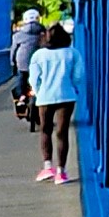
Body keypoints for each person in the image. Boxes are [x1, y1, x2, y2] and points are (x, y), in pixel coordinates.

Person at [27, 21, 79, 183]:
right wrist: (74, 88)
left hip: (45, 97)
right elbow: (79, 76)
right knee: (62, 133)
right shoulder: (72, 53)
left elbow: (33, 79)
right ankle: (61, 172)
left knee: (45, 130)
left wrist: (38, 91)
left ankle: (47, 166)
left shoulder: (39, 55)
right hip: (66, 95)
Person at [10, 8, 44, 124]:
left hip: (23, 63)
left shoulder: (18, 35)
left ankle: (21, 98)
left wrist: (13, 63)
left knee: (21, 78)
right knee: (42, 81)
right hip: (39, 63)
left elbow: (13, 51)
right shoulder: (43, 32)